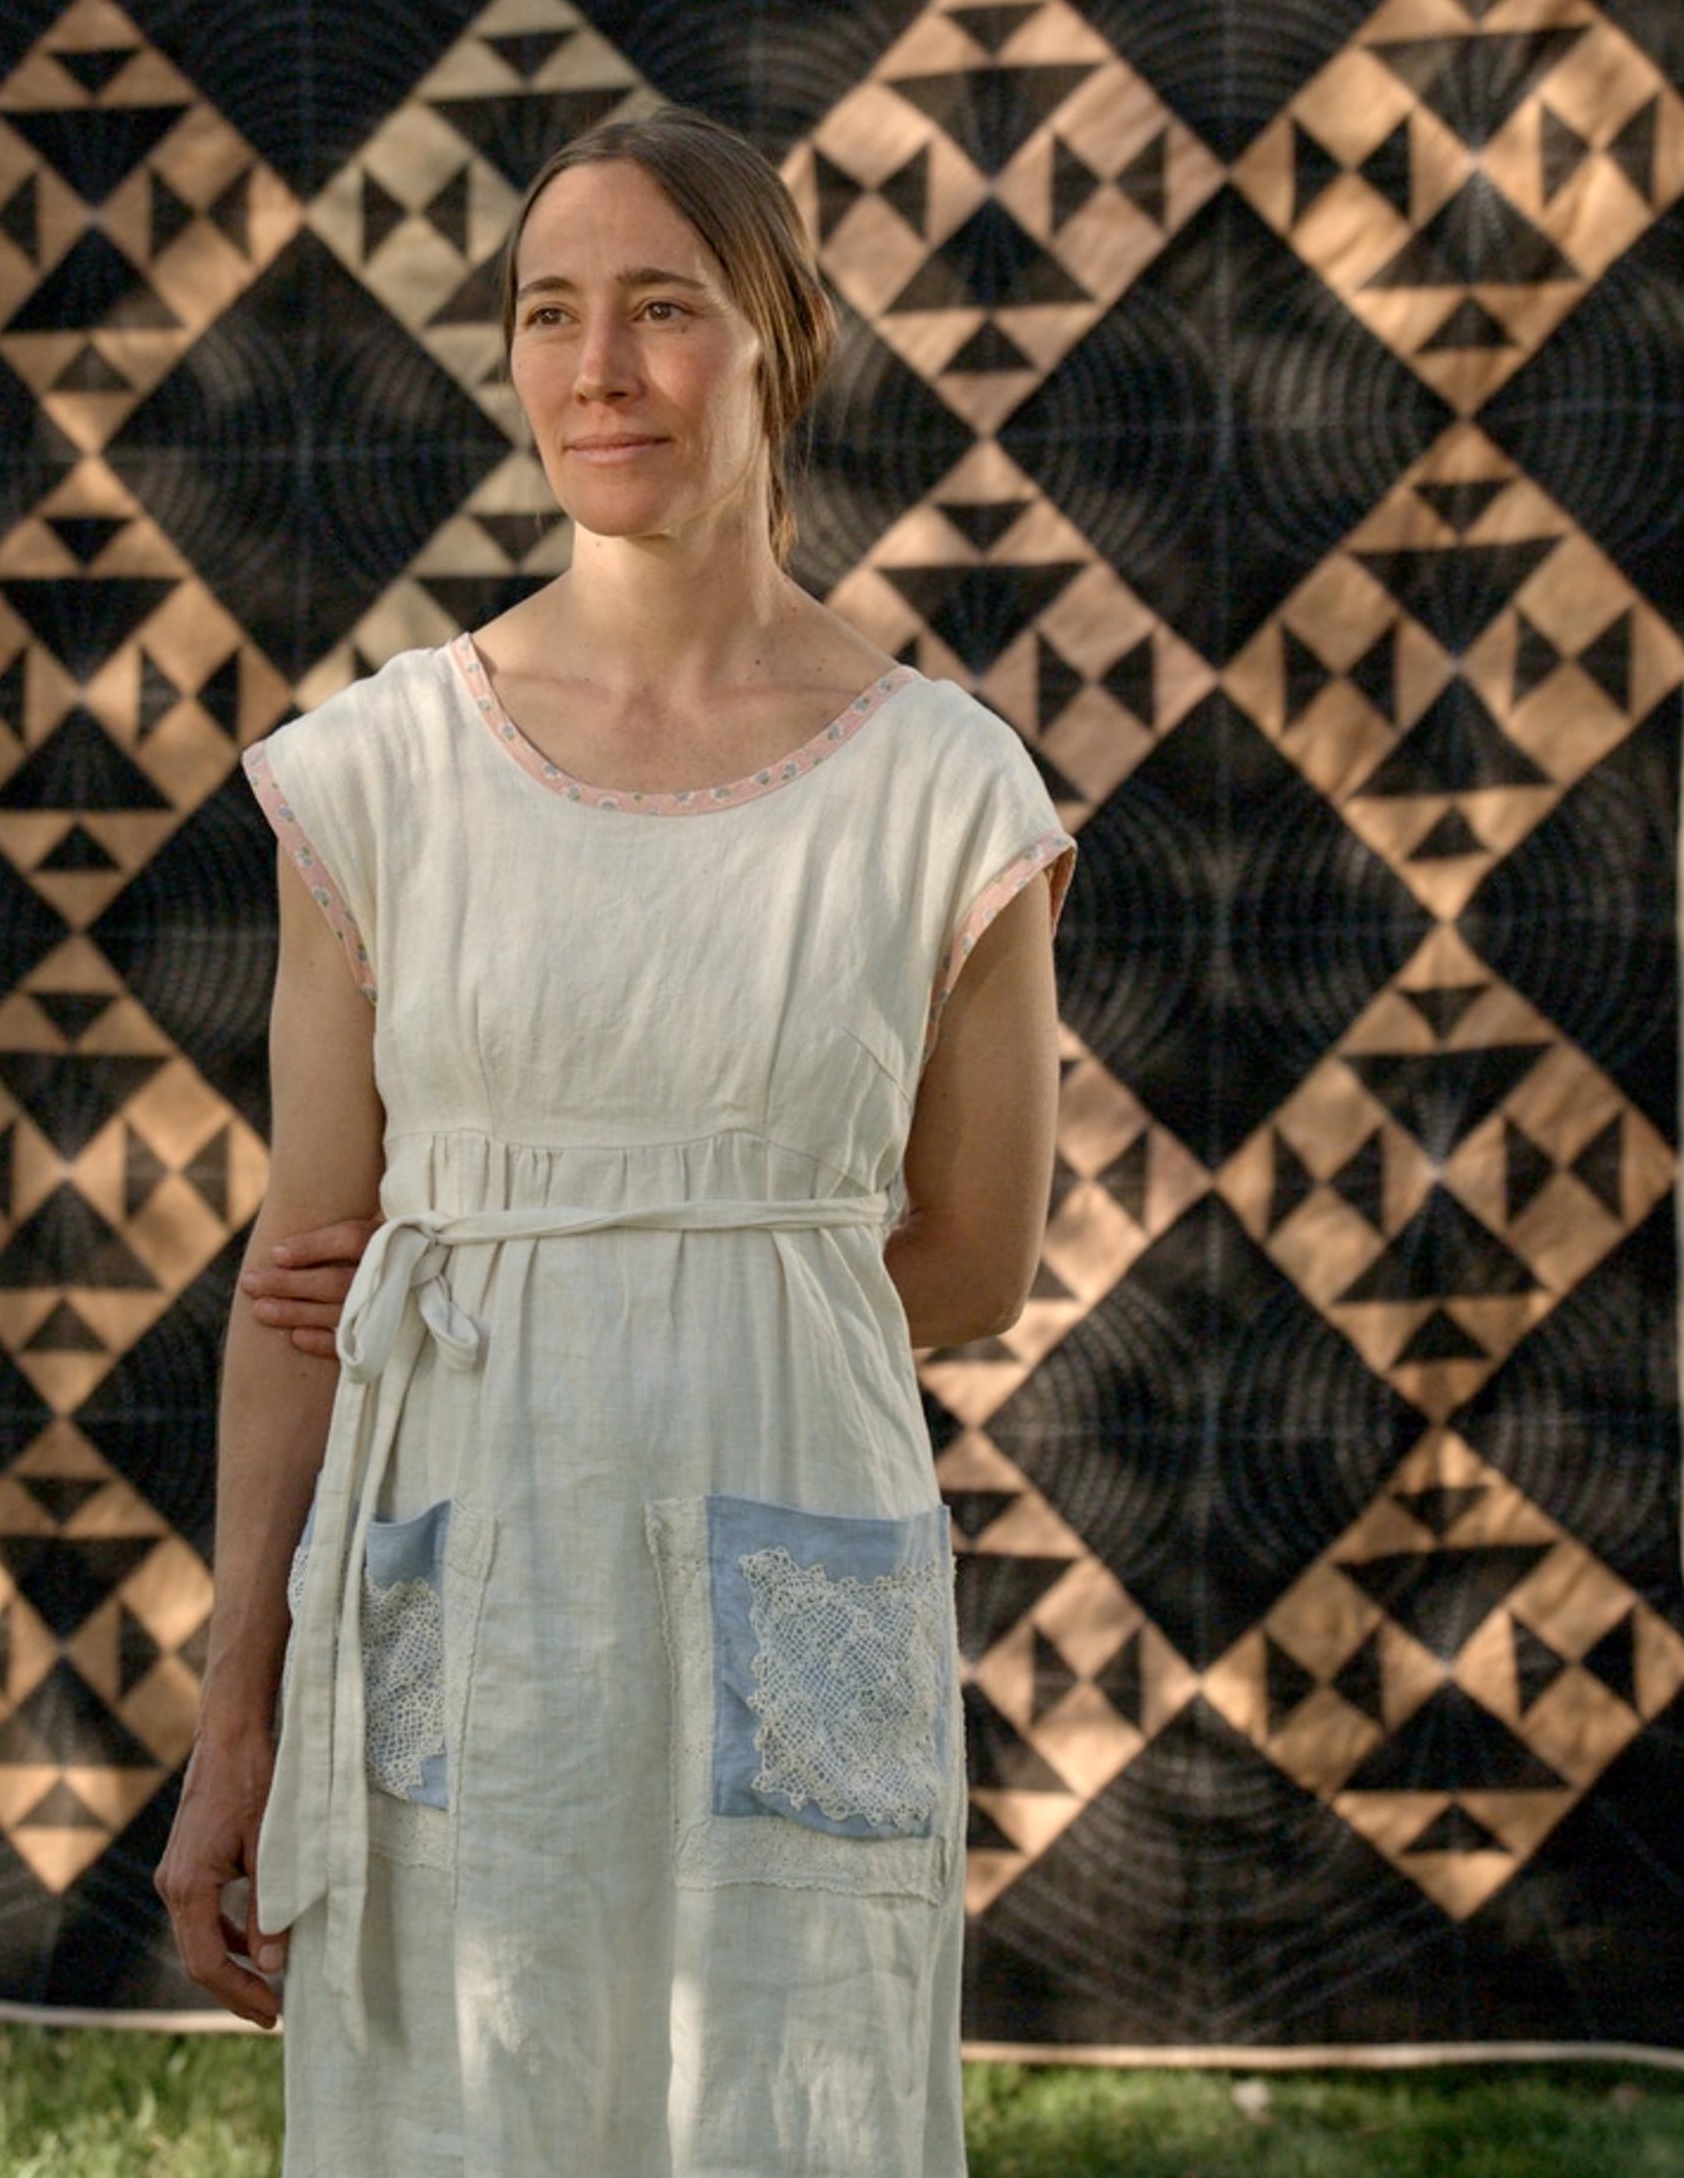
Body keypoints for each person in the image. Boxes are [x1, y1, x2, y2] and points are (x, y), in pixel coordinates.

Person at [153, 104, 1075, 2176]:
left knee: (794, 2094)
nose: (599, 367)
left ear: (781, 343)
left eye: (665, 308)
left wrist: (667, 1291)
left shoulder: (948, 792)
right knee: (454, 2106)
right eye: (550, 313)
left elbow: (973, 1261)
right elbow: (305, 1286)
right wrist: (237, 1714)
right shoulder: (375, 777)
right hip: (462, 1575)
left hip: (793, 1549)